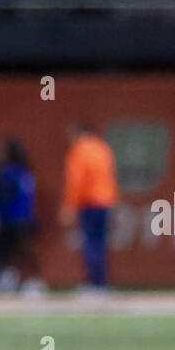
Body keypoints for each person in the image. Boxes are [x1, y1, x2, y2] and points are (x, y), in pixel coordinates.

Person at [61, 121, 119, 290]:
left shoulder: (79, 151)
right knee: (99, 243)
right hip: (106, 200)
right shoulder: (102, 148)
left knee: (91, 243)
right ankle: (101, 282)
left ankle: (95, 284)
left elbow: (76, 181)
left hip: (90, 202)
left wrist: (69, 205)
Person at [0, 138, 43, 293]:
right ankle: (31, 279)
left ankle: (14, 280)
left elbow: (4, 196)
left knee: (9, 253)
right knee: (19, 252)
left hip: (12, 221)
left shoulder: (8, 173)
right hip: (27, 221)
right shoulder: (25, 171)